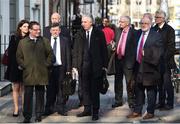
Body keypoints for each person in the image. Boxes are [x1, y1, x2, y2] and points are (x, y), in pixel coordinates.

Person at [72, 14, 108, 120]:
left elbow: (104, 50)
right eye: (82, 22)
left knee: (94, 90)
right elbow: (76, 50)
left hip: (96, 67)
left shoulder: (99, 33)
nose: (82, 24)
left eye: (85, 22)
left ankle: (95, 111)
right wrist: (75, 66)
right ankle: (87, 109)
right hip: (83, 66)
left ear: (91, 22)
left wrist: (104, 66)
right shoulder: (79, 33)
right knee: (85, 89)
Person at [16, 21, 53, 123]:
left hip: (41, 73)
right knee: (27, 96)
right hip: (29, 74)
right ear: (30, 30)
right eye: (36, 30)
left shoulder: (44, 41)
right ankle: (27, 117)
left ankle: (38, 115)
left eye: (39, 29)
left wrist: (46, 64)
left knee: (40, 95)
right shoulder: (23, 43)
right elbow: (19, 57)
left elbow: (50, 54)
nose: (38, 31)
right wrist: (25, 66)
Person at [127, 16, 163, 119]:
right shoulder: (138, 33)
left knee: (151, 91)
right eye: (142, 23)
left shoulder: (156, 36)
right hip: (138, 66)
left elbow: (159, 53)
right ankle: (137, 111)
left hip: (150, 68)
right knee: (138, 90)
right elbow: (132, 48)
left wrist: (145, 53)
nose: (143, 25)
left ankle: (150, 112)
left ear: (150, 24)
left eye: (146, 23)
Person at [44, 23, 71, 116]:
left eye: (57, 30)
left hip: (61, 68)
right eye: (53, 30)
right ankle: (48, 108)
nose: (55, 32)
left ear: (59, 31)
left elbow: (68, 55)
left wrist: (68, 69)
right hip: (49, 69)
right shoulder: (46, 41)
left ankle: (61, 108)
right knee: (50, 89)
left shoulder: (65, 40)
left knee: (61, 89)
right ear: (50, 31)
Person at [5, 20, 29, 117]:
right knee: (16, 88)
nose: (26, 28)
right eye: (24, 26)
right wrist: (17, 64)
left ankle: (24, 108)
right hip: (15, 66)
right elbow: (11, 53)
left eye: (27, 26)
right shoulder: (14, 38)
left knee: (24, 88)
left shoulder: (29, 38)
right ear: (20, 27)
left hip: (26, 66)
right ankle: (16, 108)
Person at [112, 16, 136, 109]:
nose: (120, 23)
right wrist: (113, 45)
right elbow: (115, 41)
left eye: (121, 22)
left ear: (127, 23)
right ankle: (118, 100)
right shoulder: (118, 31)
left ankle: (131, 101)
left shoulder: (134, 33)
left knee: (129, 82)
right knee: (117, 81)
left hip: (128, 61)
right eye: (119, 21)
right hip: (118, 59)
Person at [153, 9, 176, 110]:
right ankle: (161, 102)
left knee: (167, 84)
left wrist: (163, 59)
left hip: (165, 61)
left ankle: (169, 103)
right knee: (159, 84)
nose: (156, 19)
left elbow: (171, 47)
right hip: (155, 61)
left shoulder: (170, 30)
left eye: (158, 17)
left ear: (163, 18)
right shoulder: (154, 29)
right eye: (155, 17)